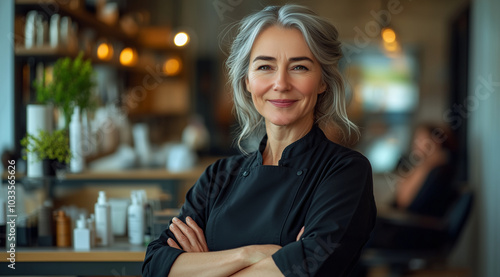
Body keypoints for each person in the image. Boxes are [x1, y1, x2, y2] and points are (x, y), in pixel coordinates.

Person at [142, 5, 376, 277]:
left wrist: (204, 266)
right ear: (247, 81)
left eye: (299, 66)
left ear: (322, 81)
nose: (281, 83)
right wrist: (251, 254)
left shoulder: (345, 172)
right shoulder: (219, 176)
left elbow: (310, 268)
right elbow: (156, 265)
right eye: (265, 66)